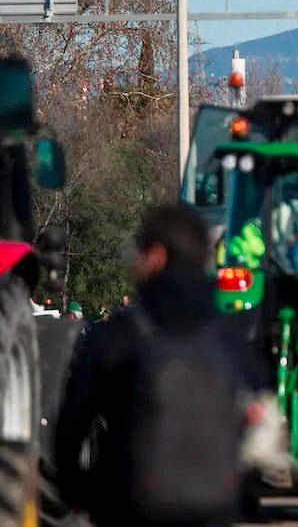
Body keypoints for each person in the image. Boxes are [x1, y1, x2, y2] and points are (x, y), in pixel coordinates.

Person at [56, 202, 265, 526]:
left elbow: (71, 429)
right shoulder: (230, 341)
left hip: (131, 507)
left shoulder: (119, 336)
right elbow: (258, 421)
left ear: (156, 256)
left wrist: (80, 494)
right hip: (214, 507)